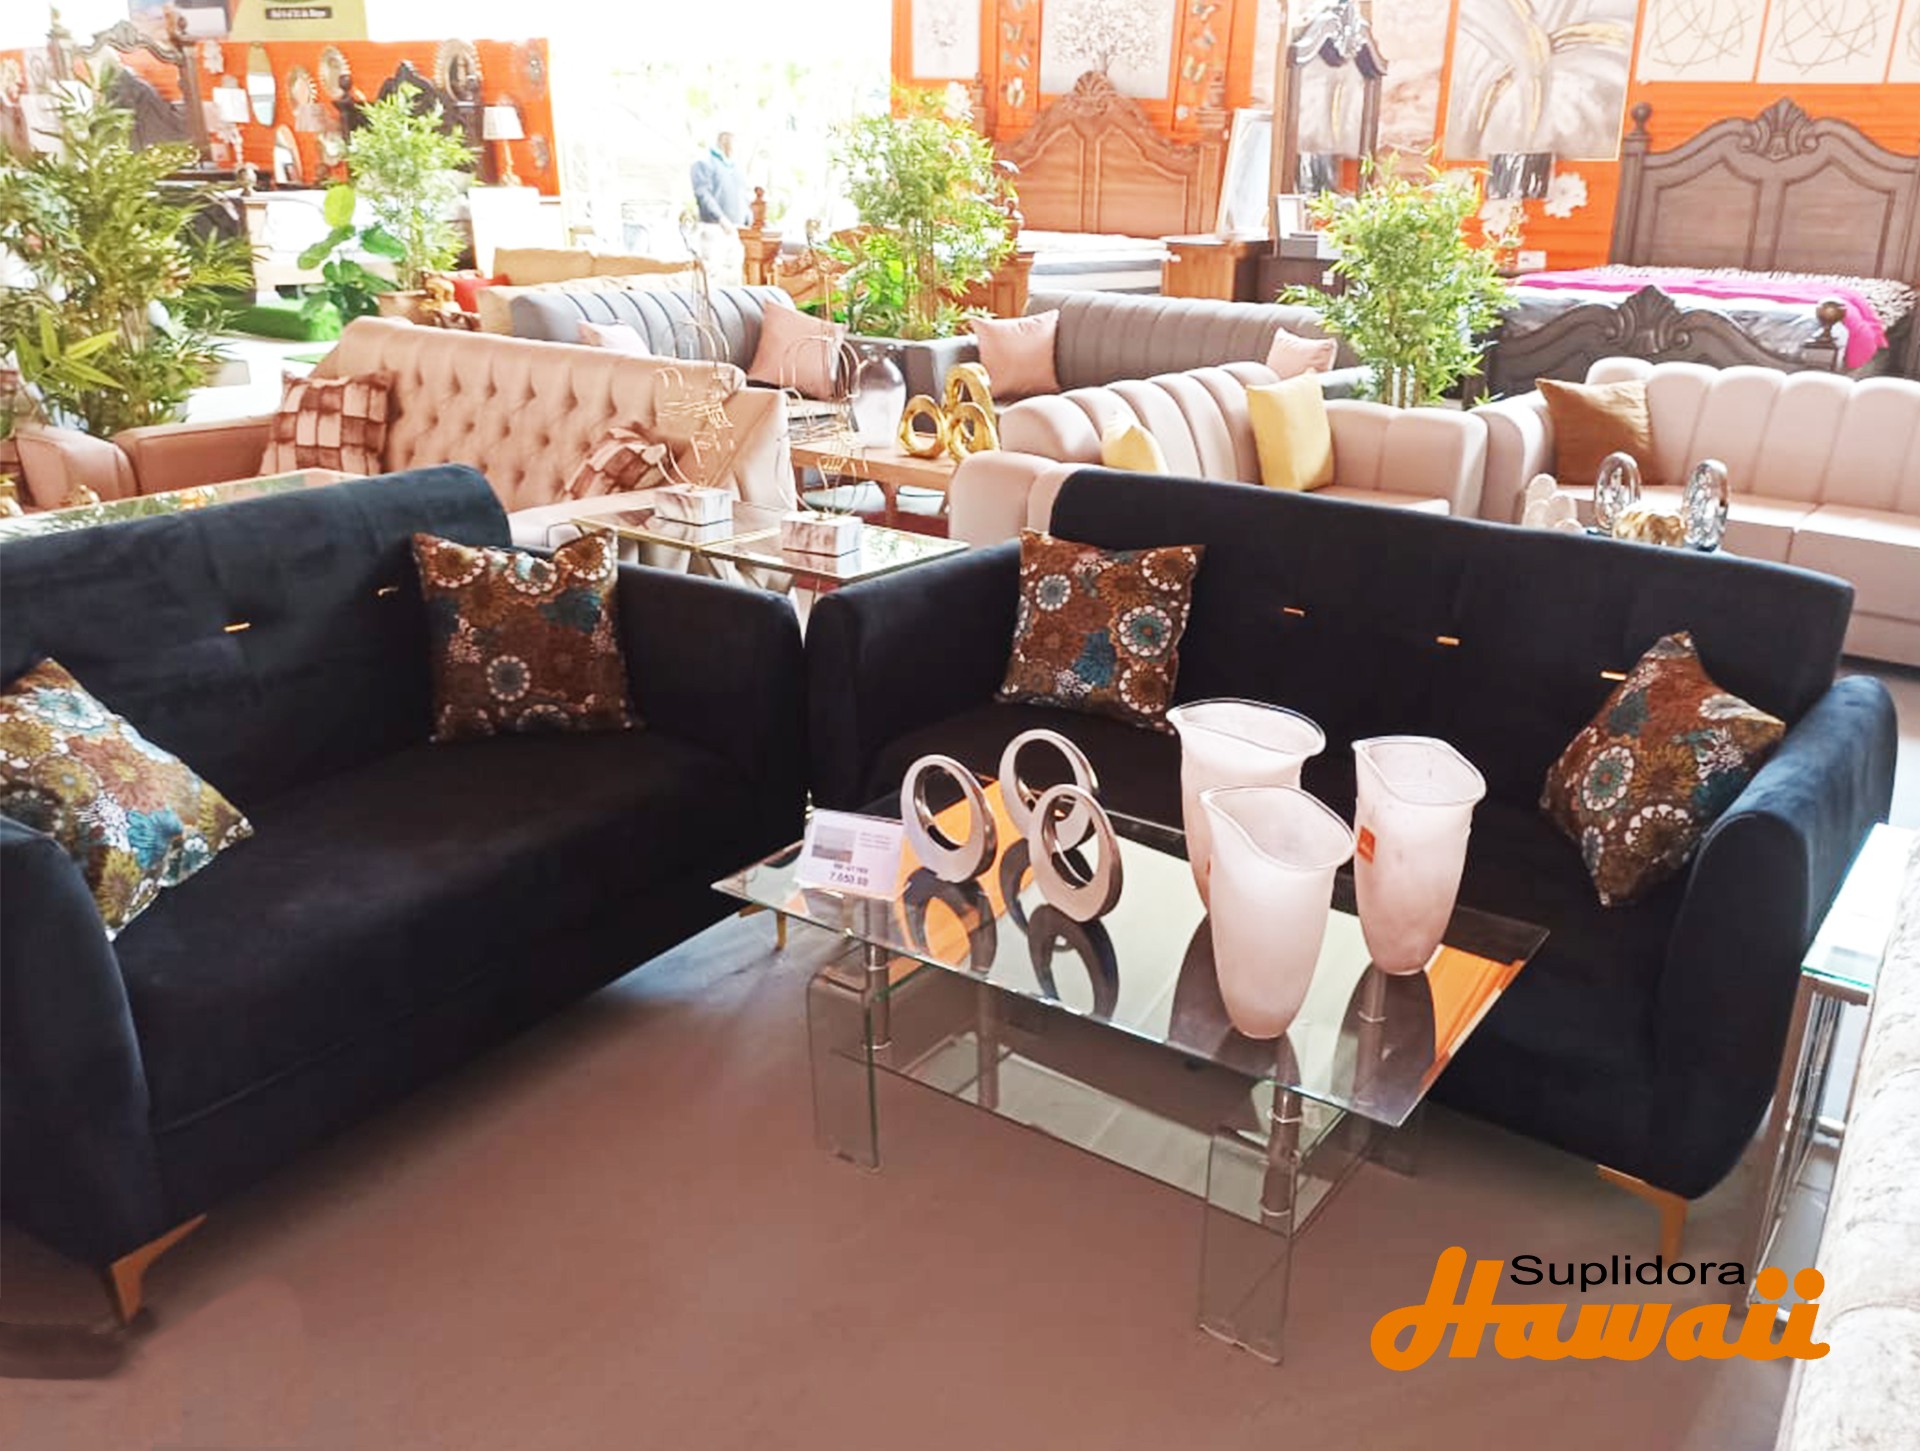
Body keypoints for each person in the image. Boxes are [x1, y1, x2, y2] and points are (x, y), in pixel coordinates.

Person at [688, 131, 749, 285]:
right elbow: (703, 194)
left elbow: (744, 197)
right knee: (712, 276)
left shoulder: (736, 168)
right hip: (714, 228)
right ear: (723, 141)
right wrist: (721, 218)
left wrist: (749, 222)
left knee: (735, 276)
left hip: (737, 230)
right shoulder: (704, 163)